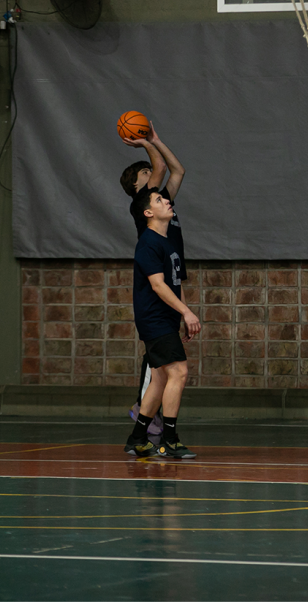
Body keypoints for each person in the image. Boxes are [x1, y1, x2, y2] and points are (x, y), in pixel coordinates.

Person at [119, 120, 187, 437]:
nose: (153, 174)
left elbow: (178, 171)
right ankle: (144, 414)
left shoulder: (162, 204)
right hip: (154, 292)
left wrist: (155, 139)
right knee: (158, 364)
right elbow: (161, 165)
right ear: (138, 189)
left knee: (161, 363)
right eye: (146, 176)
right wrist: (145, 141)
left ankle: (146, 419)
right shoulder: (144, 205)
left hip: (170, 278)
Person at [124, 187, 200, 459]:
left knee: (158, 380)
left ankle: (137, 438)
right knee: (178, 372)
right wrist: (188, 313)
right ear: (148, 212)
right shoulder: (147, 242)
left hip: (166, 319)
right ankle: (169, 440)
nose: (167, 201)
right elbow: (157, 286)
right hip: (153, 319)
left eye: (165, 199)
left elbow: (174, 283)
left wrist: (182, 315)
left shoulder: (169, 242)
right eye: (159, 200)